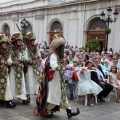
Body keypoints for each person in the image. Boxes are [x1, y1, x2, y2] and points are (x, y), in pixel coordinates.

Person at [34, 33, 80, 118]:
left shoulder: (59, 56)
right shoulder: (53, 55)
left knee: (62, 95)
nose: (63, 48)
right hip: (54, 79)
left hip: (59, 79)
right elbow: (54, 66)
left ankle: (69, 111)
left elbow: (60, 66)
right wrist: (65, 68)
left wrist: (68, 68)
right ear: (58, 47)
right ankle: (47, 110)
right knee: (54, 95)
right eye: (61, 46)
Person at [9, 32, 28, 104]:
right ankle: (12, 97)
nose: (20, 42)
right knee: (12, 82)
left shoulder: (22, 49)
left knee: (22, 83)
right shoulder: (11, 49)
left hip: (20, 68)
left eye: (21, 41)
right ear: (15, 41)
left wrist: (21, 59)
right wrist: (14, 62)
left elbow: (25, 57)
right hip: (14, 69)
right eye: (19, 41)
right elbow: (9, 59)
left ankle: (23, 96)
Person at [0, 34, 16, 108]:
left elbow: (9, 62)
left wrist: (4, 63)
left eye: (6, 43)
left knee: (7, 86)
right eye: (3, 43)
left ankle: (8, 100)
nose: (5, 44)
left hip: (5, 72)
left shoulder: (7, 52)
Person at [24, 32, 41, 100]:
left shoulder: (35, 47)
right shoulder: (26, 48)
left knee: (37, 80)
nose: (33, 42)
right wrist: (31, 62)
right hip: (29, 67)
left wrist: (37, 56)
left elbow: (39, 55)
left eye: (34, 40)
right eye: (32, 41)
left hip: (35, 67)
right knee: (29, 81)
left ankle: (37, 93)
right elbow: (24, 59)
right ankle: (27, 95)